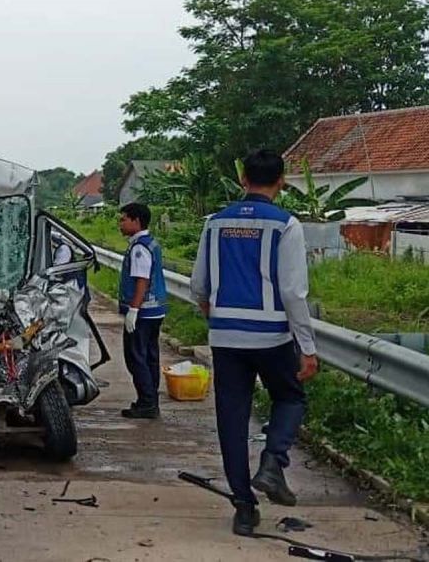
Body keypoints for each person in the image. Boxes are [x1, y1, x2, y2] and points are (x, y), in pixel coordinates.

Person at [189, 149, 320, 537]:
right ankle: (273, 463)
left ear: (243, 179)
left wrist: (215, 316)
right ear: (282, 181)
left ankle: (244, 509)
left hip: (226, 336)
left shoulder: (214, 224)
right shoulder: (285, 225)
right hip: (271, 336)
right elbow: (294, 293)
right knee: (290, 397)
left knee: (231, 418)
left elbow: (199, 285)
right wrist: (307, 347)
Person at [117, 203, 167, 419]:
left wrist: (133, 310)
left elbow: (142, 280)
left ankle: (147, 402)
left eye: (123, 219)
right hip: (155, 310)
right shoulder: (150, 242)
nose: (121, 223)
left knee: (136, 357)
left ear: (136, 221)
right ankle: (150, 400)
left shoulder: (139, 248)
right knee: (149, 356)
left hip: (143, 312)